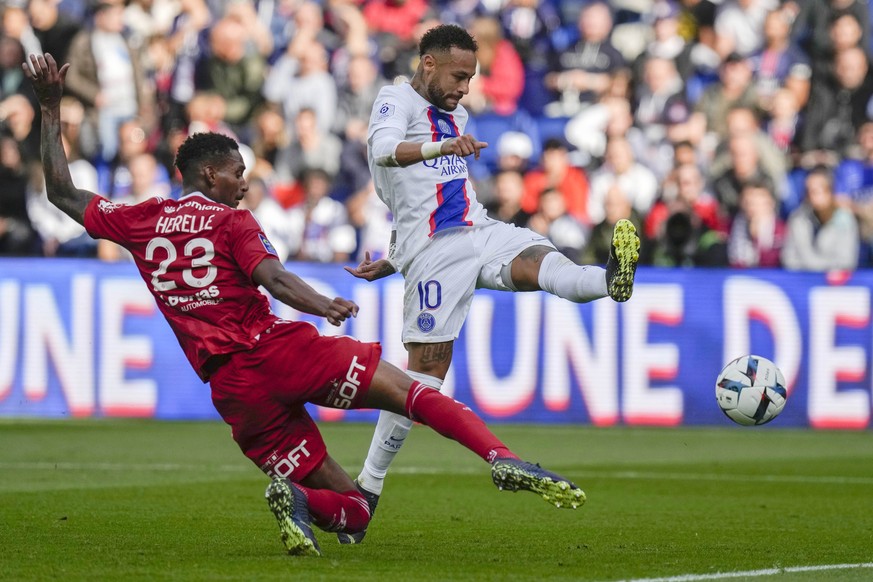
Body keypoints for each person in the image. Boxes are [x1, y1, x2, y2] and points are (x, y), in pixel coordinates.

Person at [25, 52, 586, 557]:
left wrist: (50, 108)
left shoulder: (139, 220)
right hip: (276, 350)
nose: (245, 184)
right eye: (238, 174)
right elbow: (270, 276)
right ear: (209, 174)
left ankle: (295, 497)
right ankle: (502, 458)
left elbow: (62, 192)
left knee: (354, 514)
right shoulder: (230, 219)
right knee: (411, 390)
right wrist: (323, 305)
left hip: (232, 389)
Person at [343, 24, 640, 544]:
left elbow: (432, 194)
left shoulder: (455, 116)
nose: (464, 88)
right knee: (423, 378)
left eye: (472, 78)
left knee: (540, 261)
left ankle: (608, 279)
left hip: (477, 230)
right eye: (459, 76)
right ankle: (367, 487)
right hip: (434, 253)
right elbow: (388, 153)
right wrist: (439, 152)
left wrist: (390, 257)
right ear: (429, 63)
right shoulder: (394, 99)